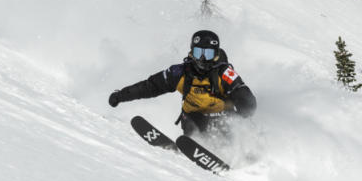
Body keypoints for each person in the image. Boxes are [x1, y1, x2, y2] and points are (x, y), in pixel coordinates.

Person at [108, 30, 256, 137]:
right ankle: (193, 147)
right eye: (199, 53)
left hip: (222, 117)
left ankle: (241, 150)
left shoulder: (224, 73)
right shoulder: (179, 72)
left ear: (216, 55)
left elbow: (243, 94)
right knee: (193, 121)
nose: (203, 58)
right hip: (193, 118)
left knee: (229, 126)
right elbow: (151, 86)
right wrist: (120, 96)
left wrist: (243, 115)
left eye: (208, 54)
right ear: (192, 52)